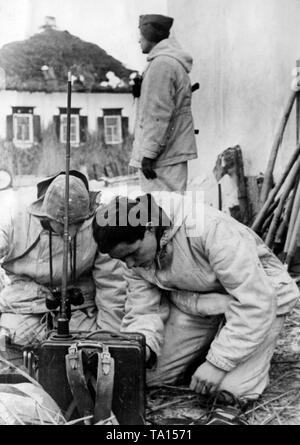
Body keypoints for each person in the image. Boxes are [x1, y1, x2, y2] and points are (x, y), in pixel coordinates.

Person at [93, 192, 300, 410]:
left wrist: (217, 363)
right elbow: (143, 309)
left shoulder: (211, 228)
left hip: (260, 302)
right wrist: (141, 348)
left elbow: (256, 300)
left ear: (150, 228)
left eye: (133, 253)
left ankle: (225, 351)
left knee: (229, 392)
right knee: (147, 376)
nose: (130, 264)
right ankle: (210, 344)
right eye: (121, 259)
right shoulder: (135, 257)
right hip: (201, 303)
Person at [0, 171, 126, 358]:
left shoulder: (100, 223)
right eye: (64, 224)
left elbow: (112, 287)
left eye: (78, 223)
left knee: (89, 355)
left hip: (80, 310)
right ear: (47, 216)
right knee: (12, 357)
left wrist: (108, 341)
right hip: (25, 307)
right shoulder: (15, 216)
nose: (72, 231)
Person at [130, 14, 198, 193]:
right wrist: (141, 92)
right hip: (169, 154)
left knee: (160, 213)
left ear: (150, 36)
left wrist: (148, 155)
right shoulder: (167, 63)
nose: (139, 40)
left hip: (161, 160)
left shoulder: (162, 65)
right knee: (170, 212)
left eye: (141, 35)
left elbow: (158, 115)